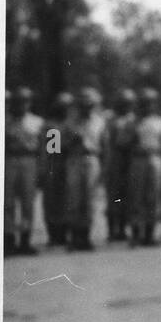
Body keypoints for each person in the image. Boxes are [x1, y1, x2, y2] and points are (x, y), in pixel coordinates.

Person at [65, 87, 107, 252]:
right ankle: (75, 237)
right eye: (83, 104)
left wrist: (105, 168)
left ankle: (86, 237)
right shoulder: (69, 122)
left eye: (90, 104)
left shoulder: (100, 122)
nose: (86, 107)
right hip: (74, 158)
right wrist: (70, 142)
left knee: (90, 200)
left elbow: (105, 146)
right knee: (74, 198)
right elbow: (54, 146)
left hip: (92, 159)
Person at [4, 87, 44, 256]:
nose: (21, 105)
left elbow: (47, 147)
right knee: (8, 202)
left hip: (30, 160)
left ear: (29, 103)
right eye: (17, 102)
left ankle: (26, 240)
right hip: (10, 159)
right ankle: (9, 240)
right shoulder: (3, 121)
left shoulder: (38, 122)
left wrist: (45, 167)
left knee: (28, 202)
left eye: (24, 101)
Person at [127, 88, 161, 246]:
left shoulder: (160, 122)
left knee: (154, 196)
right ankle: (136, 233)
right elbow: (124, 143)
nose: (147, 106)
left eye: (150, 103)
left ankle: (150, 233)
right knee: (136, 196)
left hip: (155, 158)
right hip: (139, 159)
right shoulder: (133, 122)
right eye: (144, 103)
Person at [41, 91, 74, 247]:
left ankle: (65, 233)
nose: (65, 109)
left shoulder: (73, 124)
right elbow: (52, 149)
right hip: (55, 162)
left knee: (67, 199)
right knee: (52, 200)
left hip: (70, 164)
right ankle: (54, 235)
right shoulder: (51, 125)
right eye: (62, 107)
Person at [105, 88, 137, 241]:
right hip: (114, 159)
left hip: (130, 160)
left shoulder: (134, 119)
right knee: (113, 196)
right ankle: (112, 230)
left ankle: (123, 229)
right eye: (122, 103)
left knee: (127, 196)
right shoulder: (110, 119)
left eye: (128, 103)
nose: (125, 106)